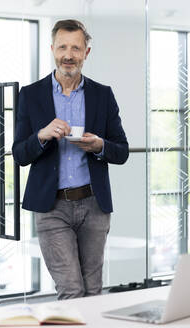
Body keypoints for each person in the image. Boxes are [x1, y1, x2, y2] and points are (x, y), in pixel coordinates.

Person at [12, 19, 128, 300]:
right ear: (52, 49)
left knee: (93, 290)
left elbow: (121, 151)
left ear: (86, 53)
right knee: (71, 289)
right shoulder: (30, 95)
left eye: (76, 48)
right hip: (51, 208)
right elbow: (19, 154)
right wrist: (41, 135)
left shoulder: (103, 95)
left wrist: (99, 145)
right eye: (62, 46)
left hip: (94, 206)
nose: (68, 54)